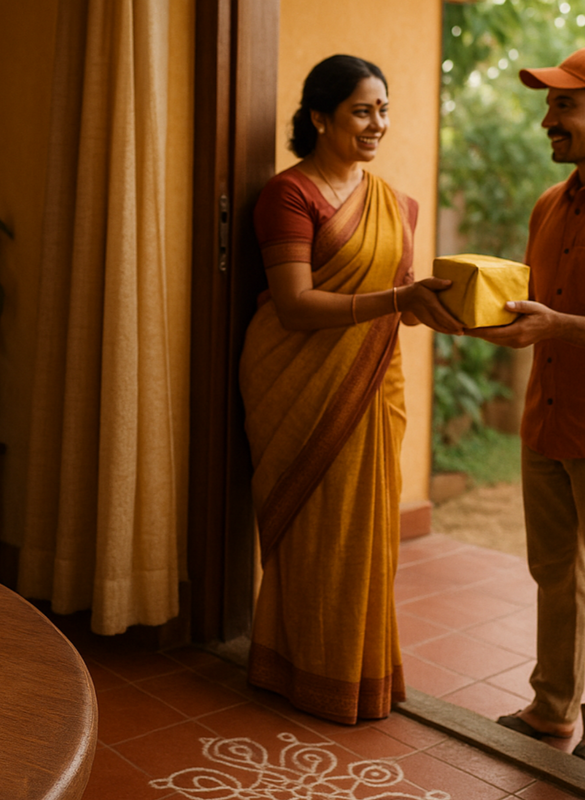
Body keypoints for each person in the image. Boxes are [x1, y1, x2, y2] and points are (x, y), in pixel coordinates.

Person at [239, 54, 462, 724]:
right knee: (313, 529)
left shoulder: (398, 205)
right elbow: (296, 305)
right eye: (363, 110)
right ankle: (296, 667)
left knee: (364, 533)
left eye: (384, 110)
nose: (378, 124)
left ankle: (354, 671)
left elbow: (403, 304)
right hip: (295, 381)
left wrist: (465, 313)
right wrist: (397, 297)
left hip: (370, 383)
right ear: (319, 118)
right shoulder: (289, 195)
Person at [467, 47, 585, 778]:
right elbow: (537, 312)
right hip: (544, 420)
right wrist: (481, 318)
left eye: (563, 106)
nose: (549, 120)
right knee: (552, 573)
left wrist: (560, 328)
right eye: (548, 106)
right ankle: (552, 708)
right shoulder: (549, 204)